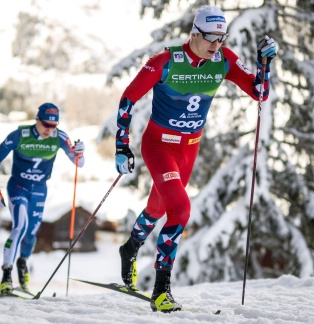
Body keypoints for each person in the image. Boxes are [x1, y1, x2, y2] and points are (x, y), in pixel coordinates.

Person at [114, 5, 277, 313]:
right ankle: (161, 290)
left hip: (189, 148)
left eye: (221, 38)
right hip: (159, 145)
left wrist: (264, 63)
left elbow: (260, 93)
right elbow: (128, 98)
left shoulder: (224, 60)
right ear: (194, 33)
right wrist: (122, 146)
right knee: (181, 208)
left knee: (158, 207)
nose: (216, 45)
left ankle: (131, 247)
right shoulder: (164, 62)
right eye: (210, 38)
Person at [0, 102, 85, 295]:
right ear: (37, 120)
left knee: (31, 233)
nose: (49, 129)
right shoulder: (20, 135)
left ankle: (22, 262)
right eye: (45, 124)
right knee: (20, 226)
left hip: (40, 190)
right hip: (18, 186)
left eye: (53, 125)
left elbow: (79, 163)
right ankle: (6, 276)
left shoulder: (59, 137)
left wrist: (80, 153)